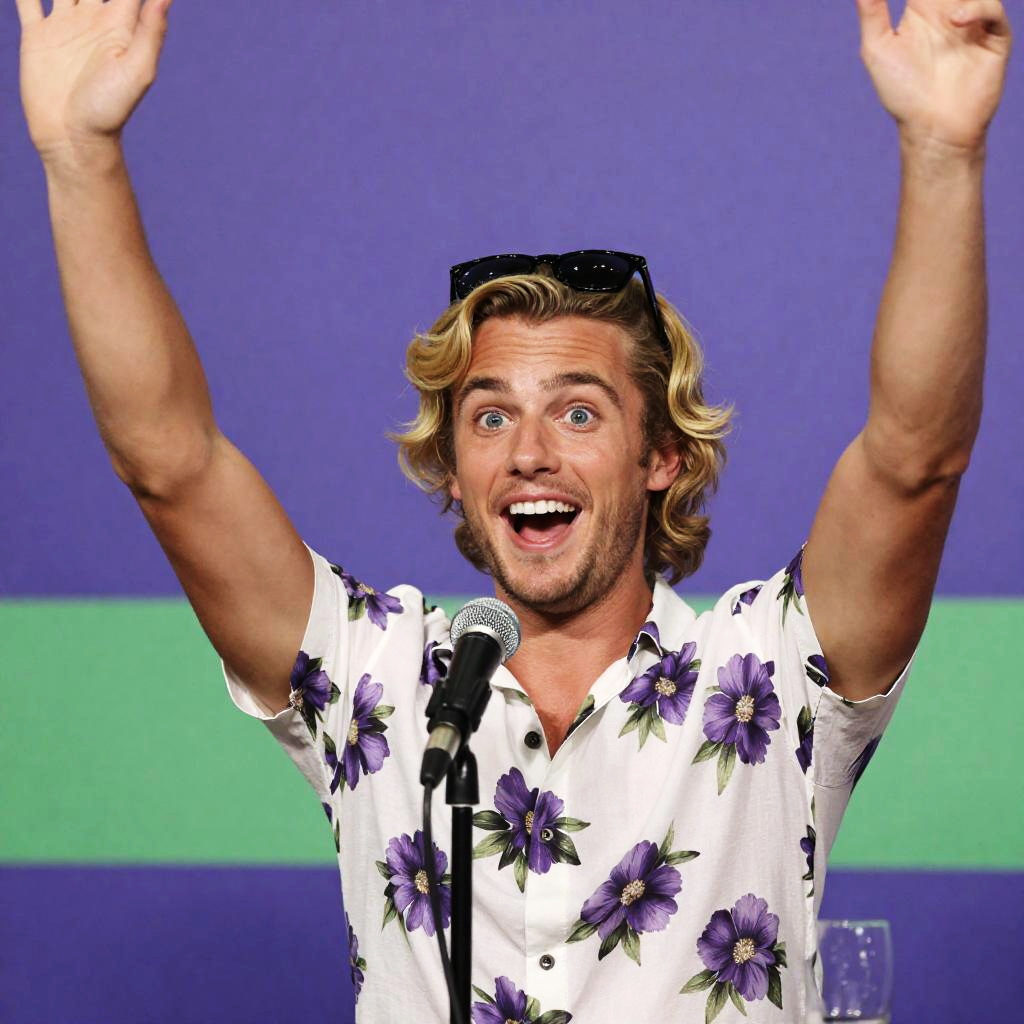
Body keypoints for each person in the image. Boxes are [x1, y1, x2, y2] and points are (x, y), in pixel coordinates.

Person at [15, 0, 1012, 1021]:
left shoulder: (771, 671)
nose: (529, 451)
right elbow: (170, 464)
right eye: (489, 417)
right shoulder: (372, 676)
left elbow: (914, 462)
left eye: (578, 411)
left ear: (662, 455)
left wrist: (943, 155)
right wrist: (79, 157)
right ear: (452, 467)